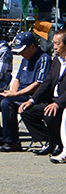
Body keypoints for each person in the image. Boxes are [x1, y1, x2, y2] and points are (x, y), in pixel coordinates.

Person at [0, 32, 50, 151]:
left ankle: (12, 142)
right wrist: (12, 92)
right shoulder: (25, 59)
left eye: (23, 50)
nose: (21, 53)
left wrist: (15, 94)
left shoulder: (44, 59)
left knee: (7, 103)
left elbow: (38, 84)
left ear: (32, 46)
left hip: (33, 96)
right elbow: (17, 78)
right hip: (19, 93)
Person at [19, 29, 66, 157]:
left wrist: (58, 104)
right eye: (53, 43)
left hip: (63, 102)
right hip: (52, 99)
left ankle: (59, 145)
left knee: (51, 114)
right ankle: (50, 140)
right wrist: (31, 100)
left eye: (57, 44)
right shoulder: (57, 60)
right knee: (27, 111)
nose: (54, 47)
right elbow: (47, 83)